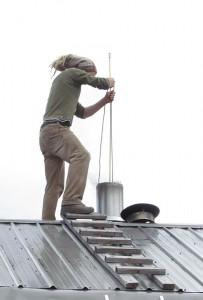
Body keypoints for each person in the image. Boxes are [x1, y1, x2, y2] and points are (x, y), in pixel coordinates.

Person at [39, 54, 115, 220]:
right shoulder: (72, 72)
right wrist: (108, 82)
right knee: (81, 155)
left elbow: (84, 113)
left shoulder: (66, 87)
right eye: (89, 75)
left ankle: (47, 224)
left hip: (46, 135)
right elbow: (97, 83)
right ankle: (71, 201)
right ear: (84, 70)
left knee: (54, 186)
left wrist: (104, 101)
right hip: (57, 129)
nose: (89, 79)